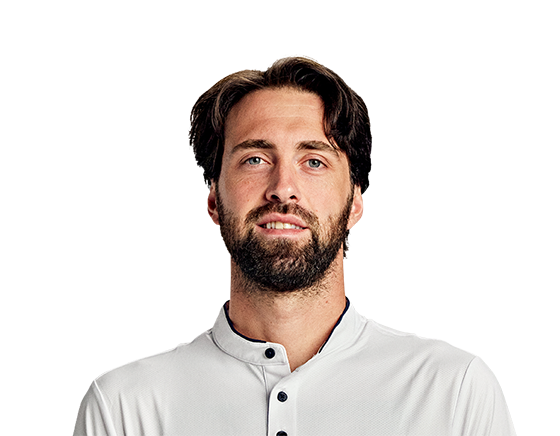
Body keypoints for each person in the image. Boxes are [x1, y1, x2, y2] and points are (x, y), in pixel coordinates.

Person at [74, 56, 516, 435]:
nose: (283, 188)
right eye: (255, 159)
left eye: (314, 161)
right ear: (213, 201)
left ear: (355, 202)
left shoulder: (453, 390)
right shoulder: (124, 407)